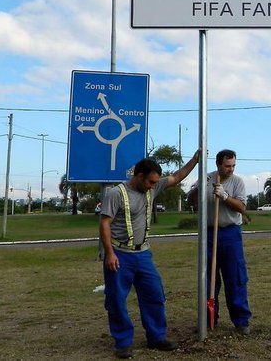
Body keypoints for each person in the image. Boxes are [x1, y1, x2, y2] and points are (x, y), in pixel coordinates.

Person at [100, 151, 199, 359]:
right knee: (117, 299)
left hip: (143, 254)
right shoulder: (116, 194)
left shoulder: (152, 187)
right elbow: (105, 223)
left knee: (154, 294)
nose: (154, 186)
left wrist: (196, 159)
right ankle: (123, 342)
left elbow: (178, 176)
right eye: (151, 182)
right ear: (139, 176)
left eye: (156, 182)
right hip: (120, 254)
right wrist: (109, 253)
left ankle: (156, 337)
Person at [188, 149, 252, 335]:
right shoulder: (206, 178)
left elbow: (241, 207)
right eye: (227, 166)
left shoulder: (237, 182)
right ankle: (208, 319)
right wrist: (199, 188)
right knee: (207, 278)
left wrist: (224, 196)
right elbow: (191, 201)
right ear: (218, 164)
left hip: (230, 234)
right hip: (208, 234)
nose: (230, 169)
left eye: (233, 166)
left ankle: (241, 321)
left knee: (235, 278)